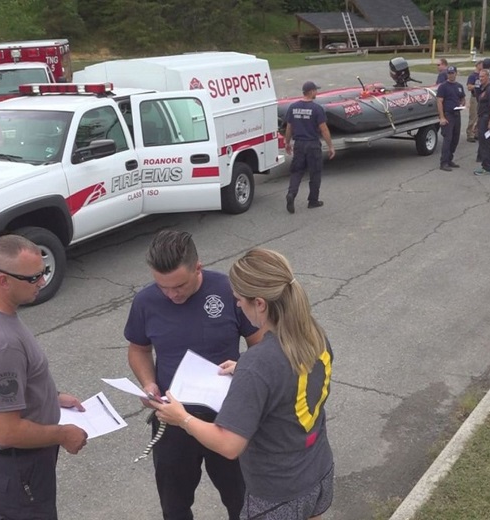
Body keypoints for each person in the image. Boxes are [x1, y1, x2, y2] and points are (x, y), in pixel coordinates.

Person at [151, 248, 335, 520]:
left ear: (260, 303)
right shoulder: (313, 335)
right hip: (317, 469)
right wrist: (248, 373)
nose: (237, 305)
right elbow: (292, 375)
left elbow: (229, 445)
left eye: (239, 299)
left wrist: (182, 418)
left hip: (276, 490)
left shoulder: (259, 363)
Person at [125, 230, 264, 520]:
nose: (171, 294)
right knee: (174, 507)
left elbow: (262, 346)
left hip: (228, 418)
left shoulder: (228, 292)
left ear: (197, 268)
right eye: (162, 286)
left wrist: (245, 371)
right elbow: (138, 349)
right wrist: (148, 383)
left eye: (179, 286)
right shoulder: (145, 302)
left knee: (243, 501)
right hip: (173, 418)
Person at [0, 234, 88, 520]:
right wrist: (63, 434)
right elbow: (6, 431)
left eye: (43, 272)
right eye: (33, 278)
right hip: (19, 471)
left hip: (16, 467)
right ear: (3, 281)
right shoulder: (1, 343)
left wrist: (51, 398)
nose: (42, 282)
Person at [283, 81, 335, 214]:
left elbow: (289, 127)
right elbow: (324, 129)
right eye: (315, 90)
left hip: (299, 145)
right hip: (312, 145)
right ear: (310, 92)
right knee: (315, 173)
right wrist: (330, 146)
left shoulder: (293, 107)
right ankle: (313, 201)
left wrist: (287, 142)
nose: (316, 93)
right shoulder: (317, 109)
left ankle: (291, 194)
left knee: (297, 172)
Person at [436, 65, 467, 171]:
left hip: (457, 114)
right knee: (447, 139)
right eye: (449, 73)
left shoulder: (459, 86)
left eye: (452, 73)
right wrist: (442, 117)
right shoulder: (443, 86)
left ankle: (450, 159)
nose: (451, 75)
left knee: (455, 138)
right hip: (448, 115)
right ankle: (443, 162)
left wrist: (462, 103)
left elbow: (462, 98)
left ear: (456, 73)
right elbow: (439, 101)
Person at [465, 60, 483, 142]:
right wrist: (477, 85)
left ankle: (477, 133)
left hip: (482, 97)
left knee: (481, 116)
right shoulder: (473, 76)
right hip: (474, 97)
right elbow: (469, 87)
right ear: (478, 65)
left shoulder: (483, 75)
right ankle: (470, 134)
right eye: (482, 64)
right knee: (473, 116)